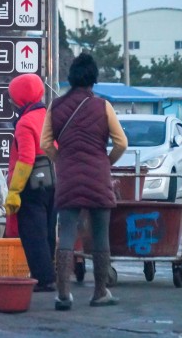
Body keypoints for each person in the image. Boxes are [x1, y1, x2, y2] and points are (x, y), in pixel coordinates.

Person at [41, 52, 128, 310]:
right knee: (100, 235)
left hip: (67, 175)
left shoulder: (55, 106)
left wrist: (61, 159)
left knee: (66, 232)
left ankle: (63, 295)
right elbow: (122, 142)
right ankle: (100, 292)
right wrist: (106, 162)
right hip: (98, 176)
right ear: (93, 78)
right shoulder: (102, 106)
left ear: (72, 77)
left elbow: (45, 143)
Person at [4, 74, 56, 292]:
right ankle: (49, 273)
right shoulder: (47, 115)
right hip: (52, 180)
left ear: (21, 97)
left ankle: (43, 279)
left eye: (13, 97)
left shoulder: (25, 122)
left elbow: (25, 158)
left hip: (31, 184)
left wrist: (15, 190)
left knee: (33, 234)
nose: (11, 101)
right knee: (47, 231)